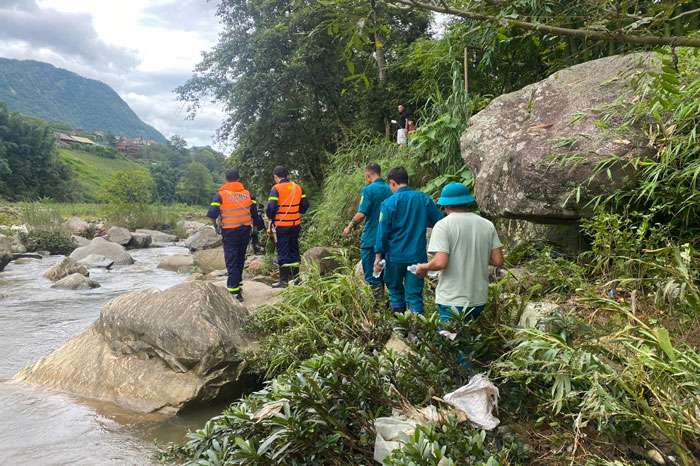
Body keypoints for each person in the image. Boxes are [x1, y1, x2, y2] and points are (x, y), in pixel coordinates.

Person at [415, 182, 503, 323]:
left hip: (453, 300)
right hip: (478, 300)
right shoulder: (487, 225)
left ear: (446, 205)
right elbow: (498, 261)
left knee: (448, 342)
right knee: (466, 340)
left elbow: (440, 262)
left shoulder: (443, 225)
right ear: (466, 202)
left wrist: (423, 268)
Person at [374, 166, 443, 314]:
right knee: (414, 294)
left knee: (395, 290)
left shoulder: (388, 203)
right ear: (408, 181)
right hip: (417, 257)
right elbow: (441, 223)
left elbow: (382, 232)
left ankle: (400, 329)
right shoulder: (423, 199)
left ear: (392, 183)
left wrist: (378, 256)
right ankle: (416, 332)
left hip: (395, 257)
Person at [207, 169, 262, 302]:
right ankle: (238, 283)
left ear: (226, 179)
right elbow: (255, 216)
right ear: (238, 179)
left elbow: (212, 214)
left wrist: (215, 226)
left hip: (230, 231)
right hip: (245, 230)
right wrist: (254, 232)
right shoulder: (248, 195)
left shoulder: (221, 195)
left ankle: (234, 290)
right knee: (240, 257)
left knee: (231, 259)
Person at [343, 163, 393, 300]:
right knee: (386, 271)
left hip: (372, 238)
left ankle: (379, 304)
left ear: (367, 175)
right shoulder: (390, 189)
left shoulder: (368, 190)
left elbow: (361, 214)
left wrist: (350, 226)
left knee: (372, 273)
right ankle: (391, 304)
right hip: (389, 238)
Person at [266, 165, 309, 288]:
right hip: (295, 225)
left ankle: (283, 281)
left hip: (282, 225)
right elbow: (305, 206)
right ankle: (296, 279)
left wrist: (271, 218)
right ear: (288, 175)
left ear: (275, 177)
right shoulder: (298, 188)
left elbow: (271, 207)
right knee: (294, 250)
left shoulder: (276, 189)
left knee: (283, 251)